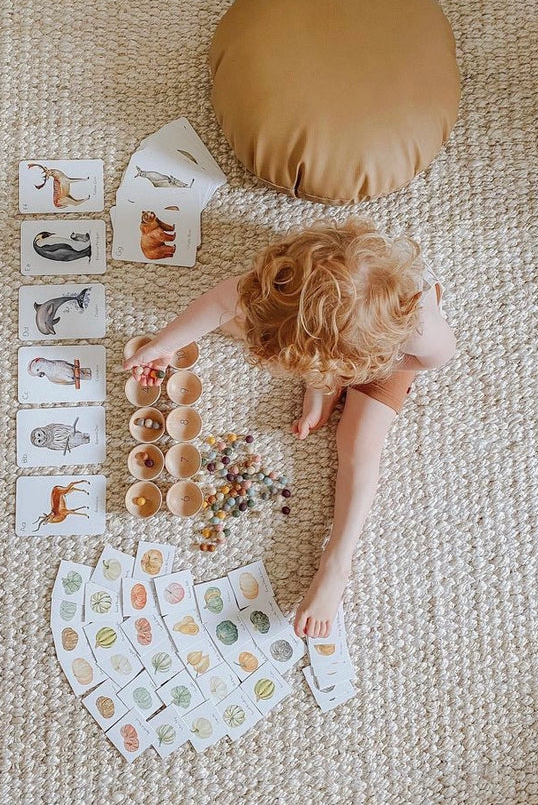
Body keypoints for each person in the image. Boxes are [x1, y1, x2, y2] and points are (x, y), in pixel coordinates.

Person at [123, 218, 456, 637]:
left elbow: (435, 360)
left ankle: (337, 562)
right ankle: (321, 381)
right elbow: (219, 302)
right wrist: (162, 345)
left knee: (357, 442)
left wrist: (359, 373)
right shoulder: (281, 287)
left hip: (386, 354)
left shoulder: (420, 327)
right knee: (232, 321)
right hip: (338, 346)